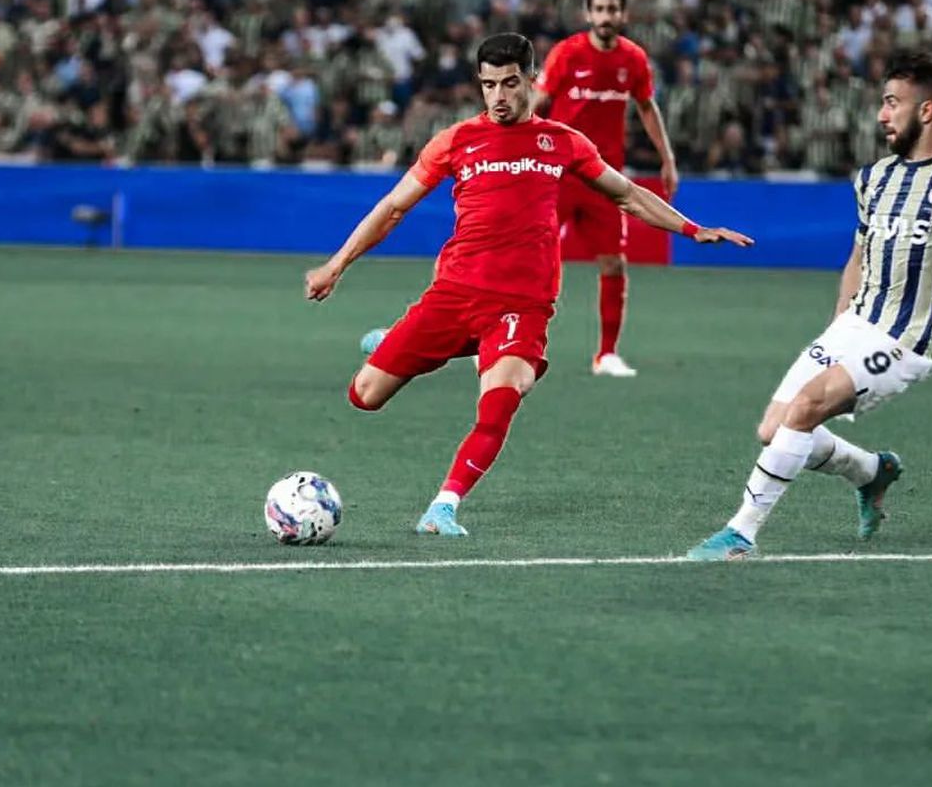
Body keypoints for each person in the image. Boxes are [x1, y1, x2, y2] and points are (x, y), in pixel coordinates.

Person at [305, 33, 752, 537]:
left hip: (522, 304)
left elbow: (627, 195)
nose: (498, 95)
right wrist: (336, 265)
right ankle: (414, 342)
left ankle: (443, 506)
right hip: (454, 294)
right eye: (488, 85)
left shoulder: (562, 142)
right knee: (364, 395)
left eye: (510, 83)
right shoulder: (455, 140)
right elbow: (392, 208)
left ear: (531, 81)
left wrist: (693, 229)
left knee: (500, 398)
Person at [689, 51, 932, 561]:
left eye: (892, 102)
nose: (881, 114)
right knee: (773, 429)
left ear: (927, 110)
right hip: (854, 326)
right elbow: (859, 254)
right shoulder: (873, 178)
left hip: (905, 339)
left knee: (805, 409)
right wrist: (839, 324)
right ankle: (873, 472)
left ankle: (739, 534)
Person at [532, 0, 679, 378]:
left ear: (623, 14)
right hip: (559, 174)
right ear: (588, 13)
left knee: (614, 263)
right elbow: (538, 104)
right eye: (599, 9)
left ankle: (606, 355)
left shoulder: (633, 59)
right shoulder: (566, 54)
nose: (605, 16)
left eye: (612, 9)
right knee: (530, 258)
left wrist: (667, 158)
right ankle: (503, 340)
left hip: (605, 179)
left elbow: (647, 107)